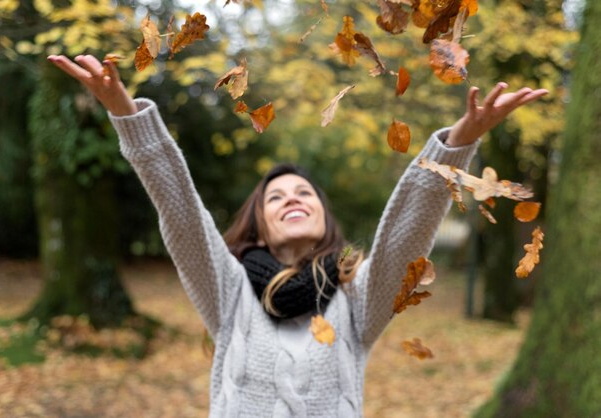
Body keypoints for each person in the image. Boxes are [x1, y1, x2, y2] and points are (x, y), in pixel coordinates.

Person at [48, 54, 547, 417]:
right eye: (276, 196)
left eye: (305, 193)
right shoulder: (228, 291)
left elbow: (403, 240)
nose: (292, 198)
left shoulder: (357, 300)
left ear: (324, 220)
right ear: (259, 224)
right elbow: (180, 213)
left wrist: (458, 143)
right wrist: (125, 111)